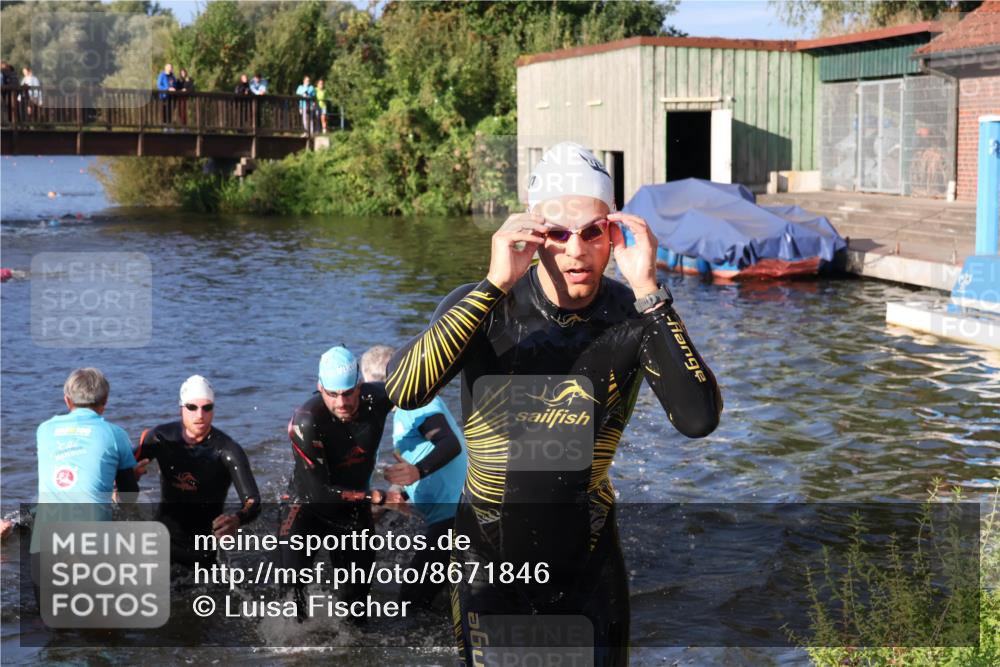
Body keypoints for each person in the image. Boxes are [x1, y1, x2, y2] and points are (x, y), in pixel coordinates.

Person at [385, 142, 722, 665]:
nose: (575, 250)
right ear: (533, 232)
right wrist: (495, 282)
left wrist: (650, 290)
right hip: (487, 558)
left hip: (587, 562)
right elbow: (403, 390)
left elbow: (698, 420)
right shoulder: (483, 308)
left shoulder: (633, 317)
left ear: (613, 232)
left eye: (592, 232)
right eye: (558, 233)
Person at [277, 346, 394, 617]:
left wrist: (418, 468)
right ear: (320, 388)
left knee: (357, 610)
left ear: (360, 385)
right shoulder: (306, 421)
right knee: (289, 603)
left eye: (348, 393)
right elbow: (318, 491)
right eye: (332, 394)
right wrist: (375, 498)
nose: (341, 403)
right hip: (306, 507)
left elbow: (422, 379)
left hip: (352, 512)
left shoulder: (378, 397)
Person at [361, 345, 467, 608]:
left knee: (410, 603)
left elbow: (449, 445)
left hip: (455, 517)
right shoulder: (411, 405)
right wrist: (388, 501)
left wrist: (417, 472)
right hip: (455, 514)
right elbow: (425, 453)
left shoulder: (412, 406)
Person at [31, 369, 142, 593]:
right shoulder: (115, 434)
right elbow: (129, 497)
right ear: (105, 401)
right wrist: (133, 475)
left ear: (67, 400)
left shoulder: (44, 430)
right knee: (104, 622)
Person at [135, 375, 261, 567]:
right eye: (192, 407)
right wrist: (128, 478)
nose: (200, 415)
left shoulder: (227, 450)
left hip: (203, 550)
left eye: (207, 407)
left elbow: (253, 502)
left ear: (213, 409)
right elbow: (121, 472)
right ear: (181, 408)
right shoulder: (160, 438)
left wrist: (237, 519)